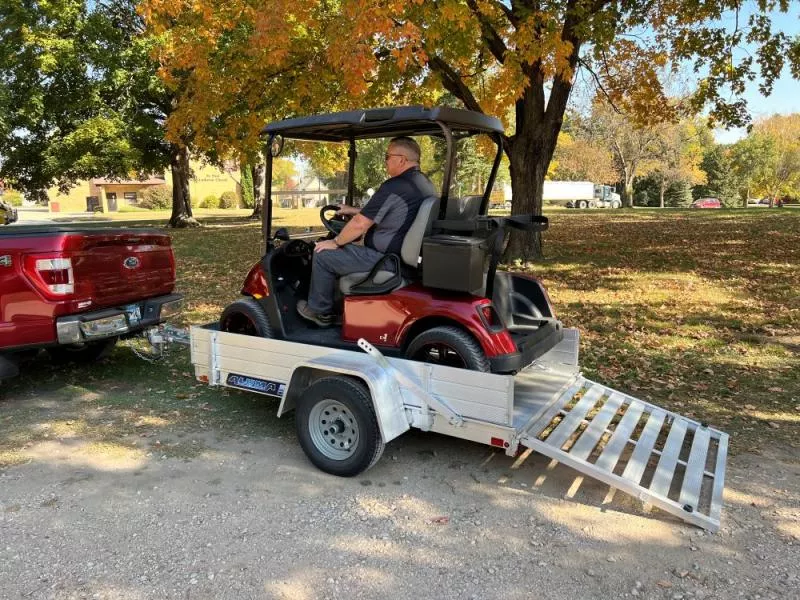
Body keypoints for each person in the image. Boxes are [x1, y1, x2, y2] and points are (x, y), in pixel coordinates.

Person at [297, 136, 436, 327]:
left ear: (401, 159)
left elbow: (359, 225)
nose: (385, 161)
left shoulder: (395, 186)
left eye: (387, 156)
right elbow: (390, 213)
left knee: (322, 254)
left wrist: (336, 242)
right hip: (402, 261)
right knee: (341, 246)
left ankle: (319, 312)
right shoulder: (422, 184)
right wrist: (353, 210)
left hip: (385, 261)